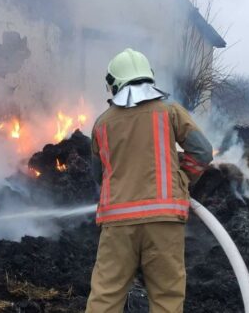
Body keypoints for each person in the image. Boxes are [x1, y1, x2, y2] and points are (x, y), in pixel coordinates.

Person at [86, 48, 213, 313]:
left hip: (117, 226)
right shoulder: (170, 112)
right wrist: (181, 179)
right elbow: (202, 153)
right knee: (166, 298)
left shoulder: (101, 124)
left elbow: (98, 175)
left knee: (105, 297)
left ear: (113, 83)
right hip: (164, 223)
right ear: (150, 77)